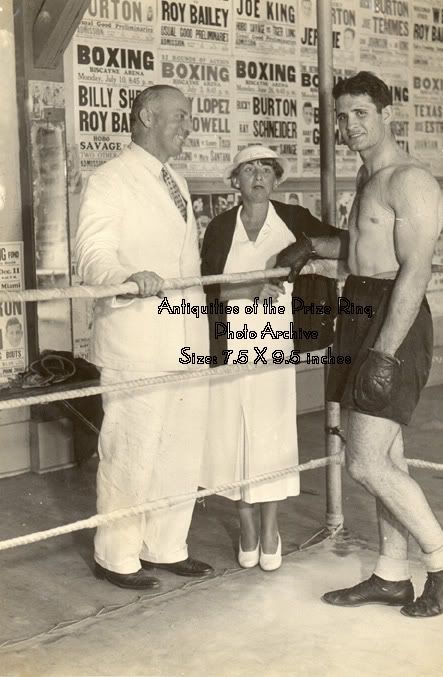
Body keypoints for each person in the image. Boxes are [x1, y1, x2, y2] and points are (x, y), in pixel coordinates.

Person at [276, 72, 443, 617]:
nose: (349, 125)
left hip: (394, 319)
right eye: (342, 116)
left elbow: (414, 271)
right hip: (360, 308)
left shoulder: (410, 181)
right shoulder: (369, 179)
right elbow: (363, 253)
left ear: (386, 114)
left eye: (361, 113)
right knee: (387, 456)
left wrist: (384, 352)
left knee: (364, 462)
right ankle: (392, 574)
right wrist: (312, 250)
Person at [76, 84, 213, 590]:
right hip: (137, 339)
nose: (188, 127)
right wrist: (127, 278)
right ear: (146, 117)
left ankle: (165, 546)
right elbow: (92, 254)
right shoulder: (110, 179)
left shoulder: (176, 179)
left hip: (186, 338)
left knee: (180, 449)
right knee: (131, 452)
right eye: (180, 116)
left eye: (189, 117)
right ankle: (116, 556)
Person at [200, 145, 339, 571]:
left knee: (271, 434)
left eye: (266, 169)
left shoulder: (294, 219)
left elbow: (342, 243)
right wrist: (252, 286)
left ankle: (271, 529)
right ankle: (246, 528)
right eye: (249, 169)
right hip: (230, 339)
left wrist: (307, 253)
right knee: (232, 434)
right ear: (235, 181)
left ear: (277, 179)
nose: (258, 176)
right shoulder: (220, 227)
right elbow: (207, 288)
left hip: (274, 340)